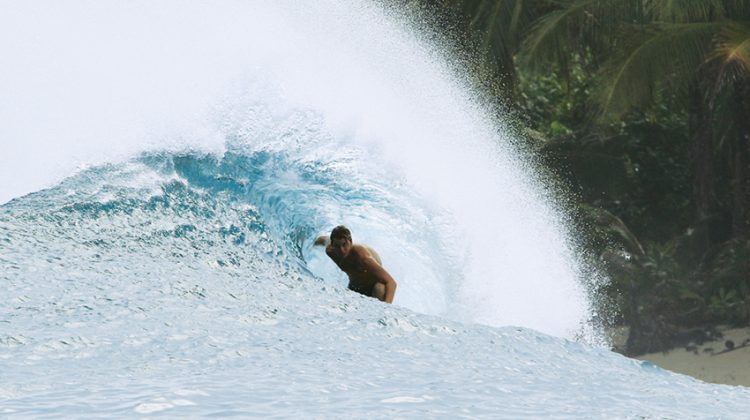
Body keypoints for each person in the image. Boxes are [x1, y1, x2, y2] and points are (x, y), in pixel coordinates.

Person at [314, 225, 397, 303]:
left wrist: (386, 308)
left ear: (350, 241)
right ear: (332, 244)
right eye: (337, 246)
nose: (342, 250)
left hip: (374, 288)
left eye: (344, 244)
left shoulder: (363, 258)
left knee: (379, 288)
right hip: (355, 286)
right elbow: (321, 240)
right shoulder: (330, 251)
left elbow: (391, 283)